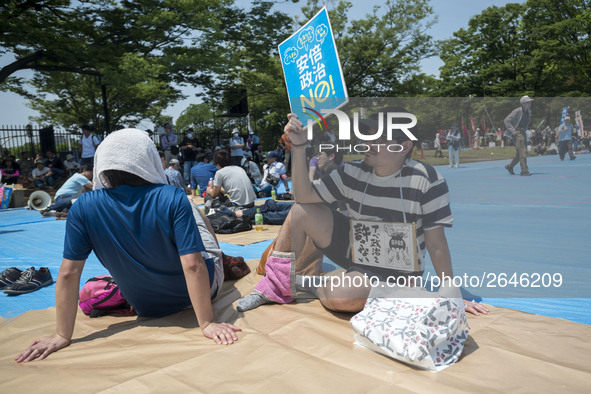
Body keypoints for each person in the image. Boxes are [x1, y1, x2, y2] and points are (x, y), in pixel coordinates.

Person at [15, 129, 241, 363]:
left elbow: (68, 273)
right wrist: (206, 323)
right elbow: (193, 265)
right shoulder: (172, 197)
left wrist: (62, 334)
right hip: (199, 292)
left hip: (145, 304)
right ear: (149, 159)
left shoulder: (83, 207)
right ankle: (220, 255)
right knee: (193, 207)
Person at [237, 110, 489, 317]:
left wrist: (449, 292)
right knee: (301, 210)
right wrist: (300, 148)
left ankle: (310, 284)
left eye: (377, 138)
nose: (367, 143)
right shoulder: (352, 172)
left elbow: (436, 243)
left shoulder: (428, 180)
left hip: (399, 267)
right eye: (367, 136)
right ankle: (275, 285)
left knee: (342, 299)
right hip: (358, 251)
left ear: (403, 146)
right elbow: (304, 198)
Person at [504, 96, 534, 176]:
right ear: (523, 103)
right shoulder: (517, 111)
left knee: (520, 153)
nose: (530, 103)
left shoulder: (528, 111)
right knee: (523, 152)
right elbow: (506, 120)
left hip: (523, 132)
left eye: (530, 102)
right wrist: (513, 130)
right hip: (517, 132)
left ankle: (510, 166)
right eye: (528, 102)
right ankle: (524, 171)